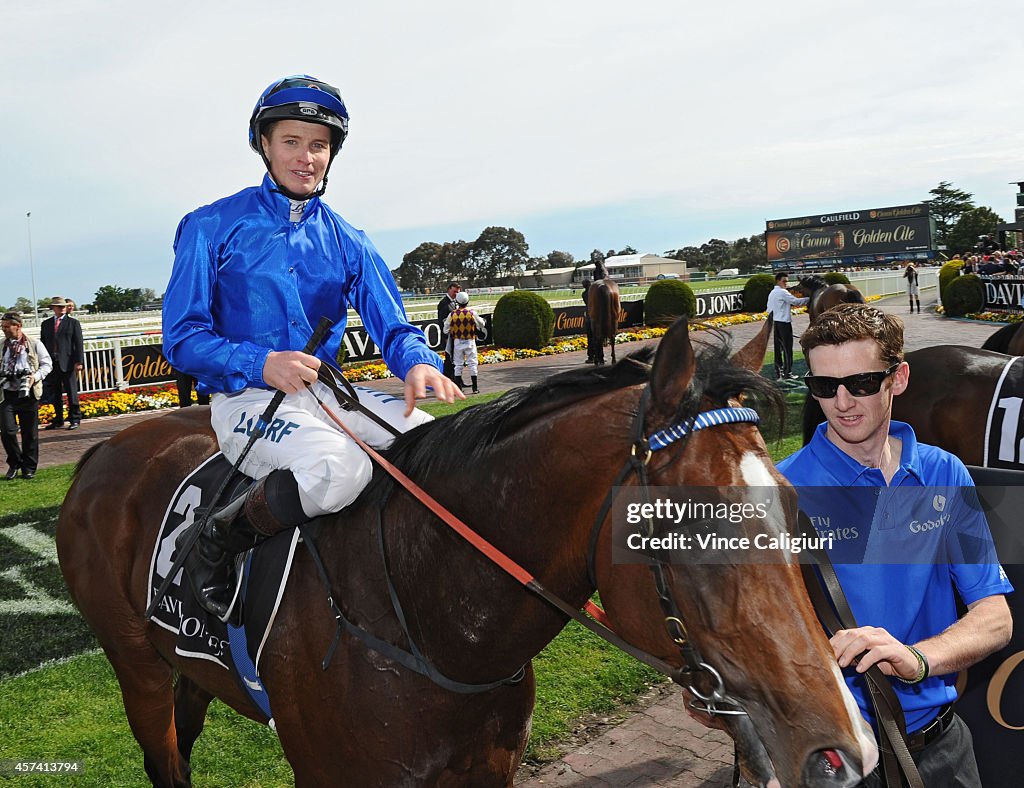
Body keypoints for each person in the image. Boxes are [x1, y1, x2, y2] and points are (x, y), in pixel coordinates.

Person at [163, 74, 462, 618]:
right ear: (264, 145)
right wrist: (261, 362)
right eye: (291, 141)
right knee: (339, 469)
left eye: (318, 145)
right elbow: (182, 339)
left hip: (330, 394)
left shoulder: (350, 239)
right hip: (246, 401)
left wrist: (418, 363)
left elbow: (391, 326)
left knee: (437, 446)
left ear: (332, 153)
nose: (306, 157)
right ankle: (213, 539)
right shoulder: (209, 226)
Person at [778, 304, 1013, 787]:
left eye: (861, 383)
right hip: (839, 761)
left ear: (898, 378)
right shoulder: (782, 491)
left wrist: (917, 659)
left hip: (944, 749)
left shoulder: (944, 471)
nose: (842, 402)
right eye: (825, 386)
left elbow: (995, 619)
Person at [0, 311, 52, 480]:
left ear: (18, 326)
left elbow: (47, 364)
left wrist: (34, 377)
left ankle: (29, 467)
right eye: (2, 327)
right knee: (7, 431)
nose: (4, 330)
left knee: (30, 433)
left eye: (7, 327)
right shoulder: (2, 345)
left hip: (28, 393)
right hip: (6, 393)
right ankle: (15, 463)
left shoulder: (34, 343)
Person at [39, 295, 84, 430]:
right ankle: (58, 419)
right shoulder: (46, 324)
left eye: (63, 306)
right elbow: (43, 344)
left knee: (71, 392)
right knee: (55, 393)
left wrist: (79, 361)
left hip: (68, 362)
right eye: (59, 307)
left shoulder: (73, 323)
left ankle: (75, 419)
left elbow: (79, 343)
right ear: (53, 308)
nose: (62, 309)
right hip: (52, 363)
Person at [765, 271, 808, 380]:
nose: (786, 283)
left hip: (776, 323)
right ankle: (787, 373)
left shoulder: (772, 293)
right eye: (784, 281)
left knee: (778, 349)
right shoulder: (782, 292)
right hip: (784, 324)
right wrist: (810, 298)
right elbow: (796, 302)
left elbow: (768, 309)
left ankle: (778, 371)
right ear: (778, 281)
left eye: (787, 282)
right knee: (787, 349)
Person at [443, 291, 485, 393]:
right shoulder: (472, 313)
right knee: (472, 364)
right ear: (467, 301)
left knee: (458, 365)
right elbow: (482, 324)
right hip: (470, 341)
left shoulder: (452, 314)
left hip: (458, 342)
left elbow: (445, 330)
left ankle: (459, 389)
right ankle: (475, 388)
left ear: (457, 301)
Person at [436, 281, 460, 381]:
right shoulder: (443, 303)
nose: (456, 294)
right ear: (449, 289)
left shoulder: (454, 302)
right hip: (448, 336)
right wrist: (446, 337)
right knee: (449, 358)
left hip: (454, 335)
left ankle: (455, 379)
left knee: (454, 358)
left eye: (458, 292)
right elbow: (441, 321)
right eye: (455, 292)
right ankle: (449, 379)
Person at [581, 278, 596, 363]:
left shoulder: (584, 294)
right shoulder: (593, 294)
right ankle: (596, 355)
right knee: (595, 337)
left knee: (590, 338)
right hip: (593, 317)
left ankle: (591, 356)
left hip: (588, 317)